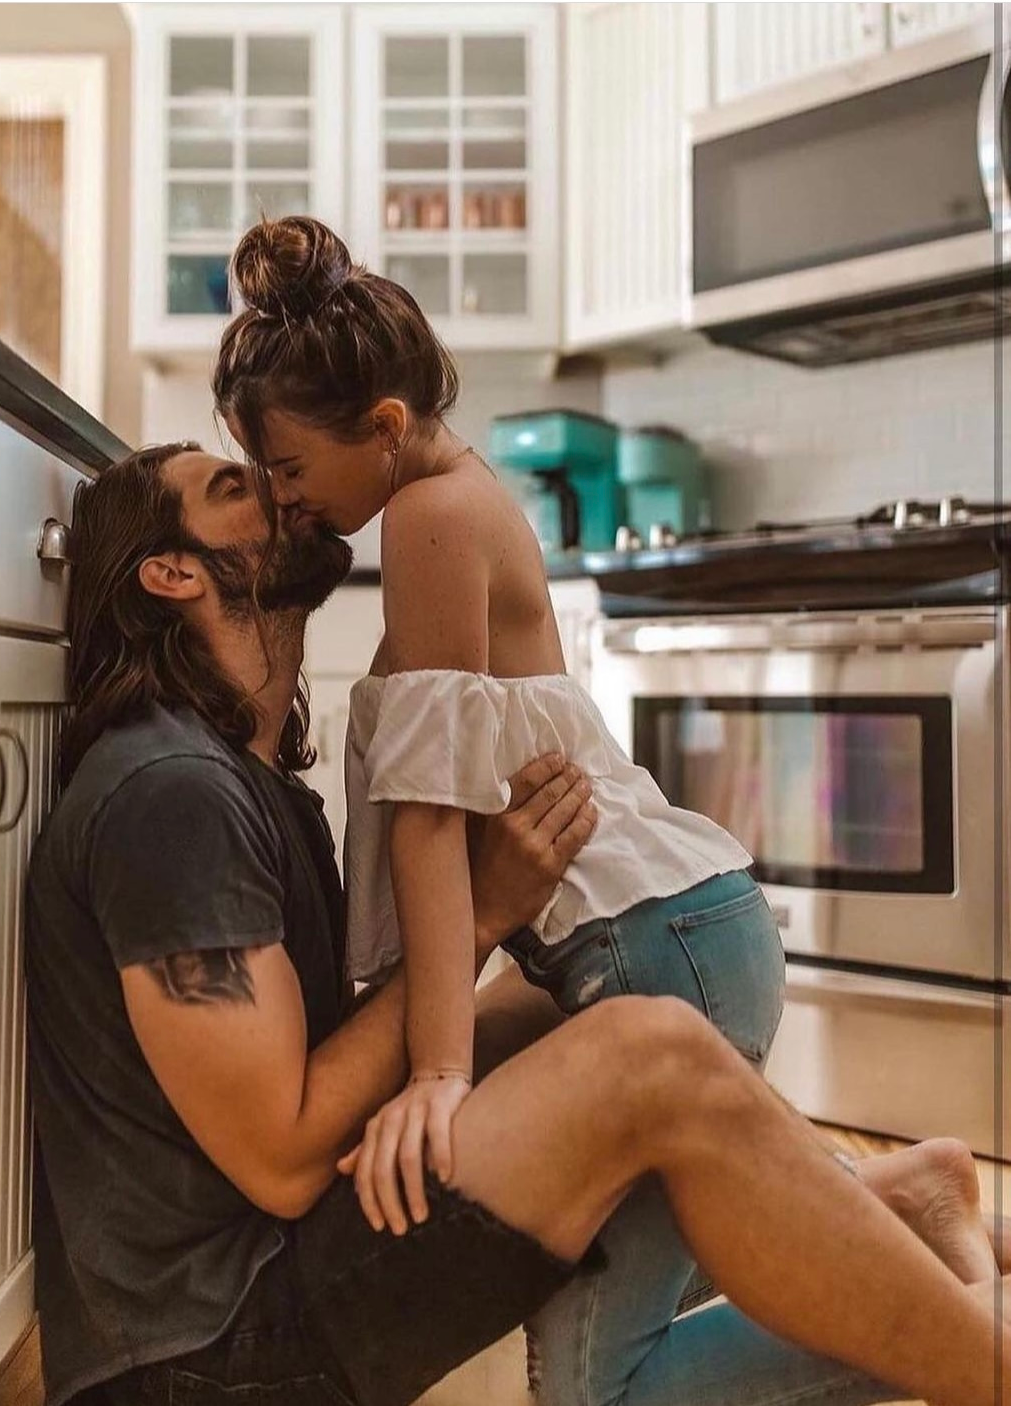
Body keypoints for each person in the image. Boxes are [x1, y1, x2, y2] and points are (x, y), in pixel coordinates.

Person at [24, 439, 1010, 1406]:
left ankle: (892, 1207)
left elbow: (313, 1069)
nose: (278, 491)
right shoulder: (171, 795)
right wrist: (485, 910)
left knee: (590, 1006)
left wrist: (506, 960)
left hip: (289, 1254)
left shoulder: (241, 778)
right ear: (174, 572)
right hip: (212, 1350)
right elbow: (281, 1158)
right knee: (648, 1056)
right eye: (233, 486)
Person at [209, 216, 1006, 1403]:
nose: (283, 501)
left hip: (655, 950)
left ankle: (959, 1338)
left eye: (286, 468)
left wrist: (439, 1071)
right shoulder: (449, 497)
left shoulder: (430, 518)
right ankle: (905, 1199)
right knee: (665, 1226)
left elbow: (429, 815)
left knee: (598, 1386)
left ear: (381, 428)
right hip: (681, 928)